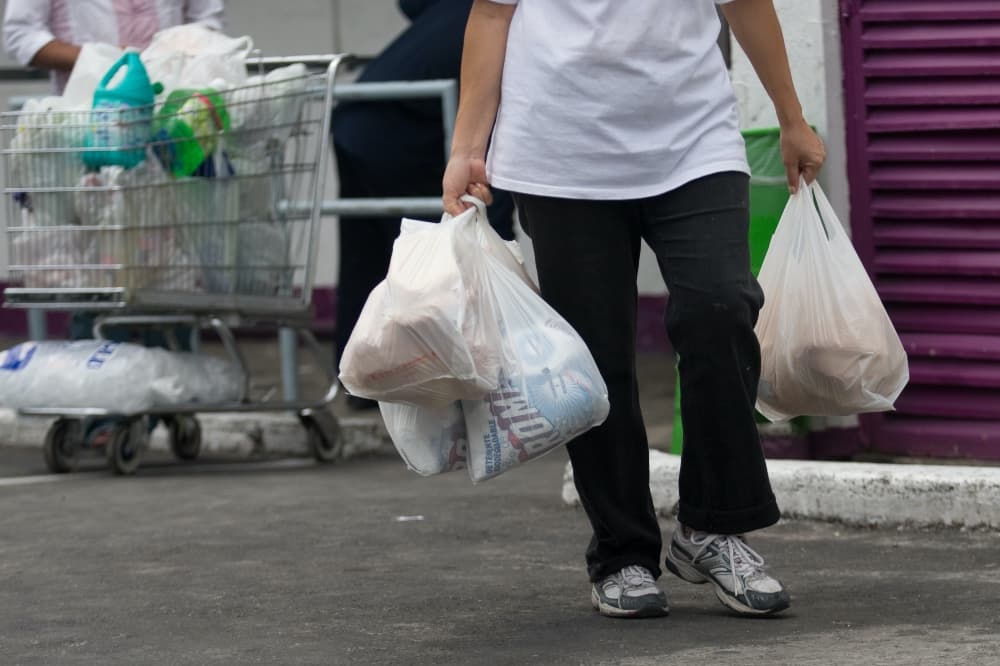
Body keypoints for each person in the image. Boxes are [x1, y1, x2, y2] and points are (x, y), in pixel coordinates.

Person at [443, 0, 825, 618]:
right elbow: (491, 14)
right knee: (594, 357)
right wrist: (466, 146)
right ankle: (622, 553)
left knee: (720, 307)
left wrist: (792, 118)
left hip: (693, 141)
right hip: (559, 153)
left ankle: (715, 527)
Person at [3, 0, 225, 444]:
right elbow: (20, 36)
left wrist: (173, 57)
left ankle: (172, 398)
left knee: (174, 270)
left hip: (169, 127)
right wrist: (106, 60)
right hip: (91, 130)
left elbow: (208, 23)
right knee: (100, 272)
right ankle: (103, 412)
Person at [331, 0, 515, 410]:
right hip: (392, 128)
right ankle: (431, 377)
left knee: (371, 257)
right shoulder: (501, 28)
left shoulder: (468, 11)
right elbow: (489, 165)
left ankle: (361, 383)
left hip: (359, 119)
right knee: (424, 261)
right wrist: (498, 239)